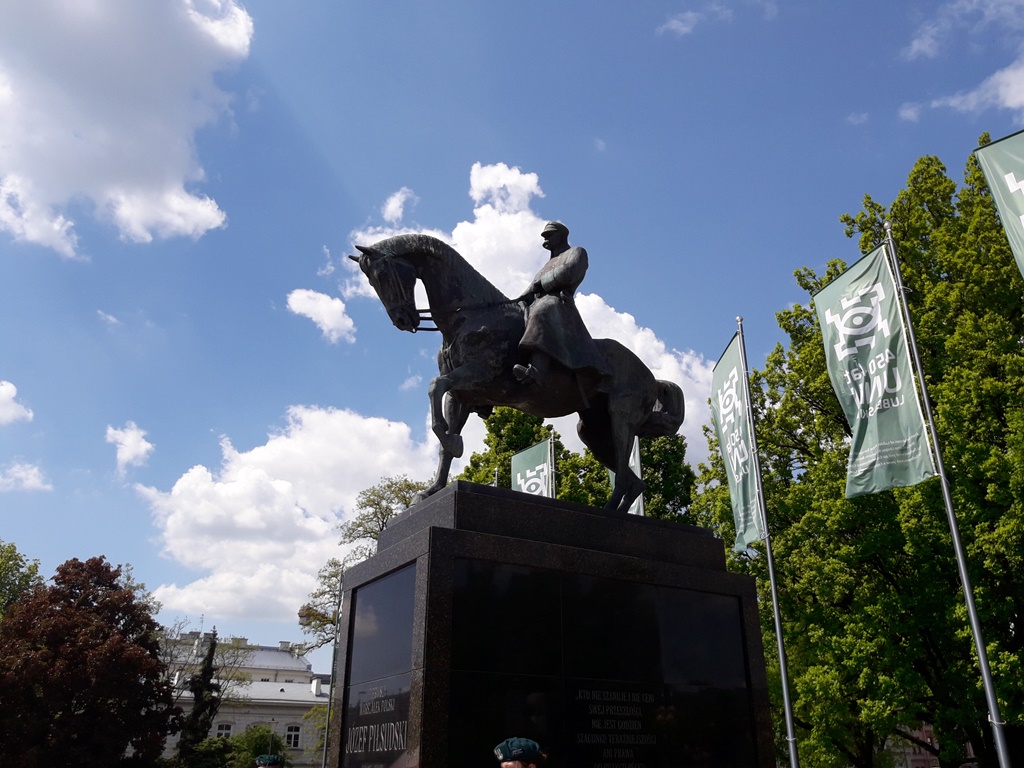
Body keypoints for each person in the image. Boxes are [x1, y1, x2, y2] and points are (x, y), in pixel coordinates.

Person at [513, 221, 602, 388]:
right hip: (539, 301)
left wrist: (542, 282)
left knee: (542, 311)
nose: (545, 239)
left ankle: (538, 372)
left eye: (549, 235)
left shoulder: (576, 252)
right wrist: (520, 299)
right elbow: (532, 287)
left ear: (561, 236)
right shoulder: (547, 264)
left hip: (559, 303)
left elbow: (570, 271)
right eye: (544, 236)